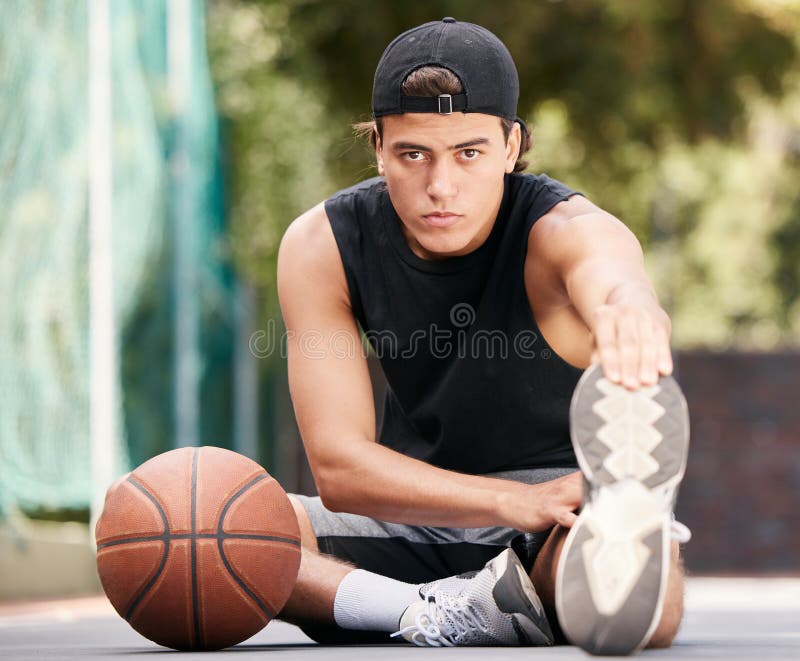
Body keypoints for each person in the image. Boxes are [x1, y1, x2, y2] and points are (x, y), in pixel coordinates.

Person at [274, 17, 690, 656]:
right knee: (206, 529)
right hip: (416, 507)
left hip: (562, 513)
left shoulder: (560, 230)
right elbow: (339, 466)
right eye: (414, 154)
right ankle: (431, 612)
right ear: (379, 146)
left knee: (635, 591)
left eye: (468, 152)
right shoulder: (322, 245)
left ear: (510, 144)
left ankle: (542, 585)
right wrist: (505, 501)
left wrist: (629, 308)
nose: (441, 186)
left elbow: (610, 271)